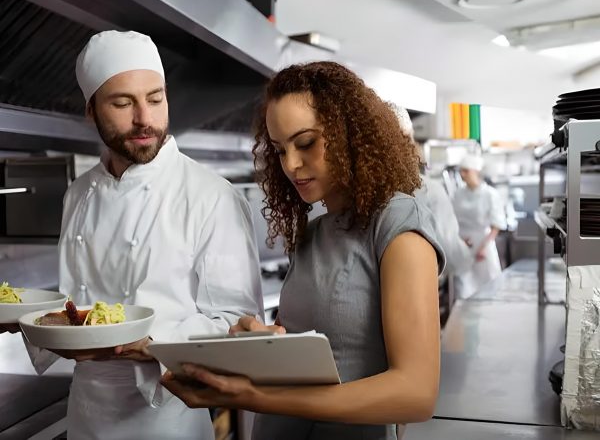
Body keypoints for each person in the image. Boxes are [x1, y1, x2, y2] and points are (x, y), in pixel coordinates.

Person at [161, 61, 445, 440]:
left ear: (349, 133)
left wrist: (259, 396)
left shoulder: (395, 222)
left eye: (306, 143)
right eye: (279, 150)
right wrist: (258, 347)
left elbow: (416, 394)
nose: (291, 165)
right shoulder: (312, 234)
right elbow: (322, 353)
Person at [25, 30, 264, 440]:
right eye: (122, 102)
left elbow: (238, 324)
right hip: (86, 414)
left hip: (168, 420)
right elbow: (74, 308)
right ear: (91, 109)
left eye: (155, 98)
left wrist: (154, 342)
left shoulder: (210, 195)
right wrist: (33, 324)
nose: (144, 118)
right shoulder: (79, 193)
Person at [395, 106, 472, 276]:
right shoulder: (429, 190)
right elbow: (449, 247)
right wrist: (466, 255)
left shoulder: (360, 193)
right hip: (418, 283)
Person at [452, 154, 507, 299]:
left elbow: (497, 224)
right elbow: (452, 220)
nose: (462, 175)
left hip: (483, 244)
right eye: (461, 171)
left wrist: (484, 247)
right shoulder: (458, 194)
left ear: (476, 171)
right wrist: (459, 240)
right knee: (463, 290)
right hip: (463, 244)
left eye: (466, 171)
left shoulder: (490, 194)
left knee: (487, 289)